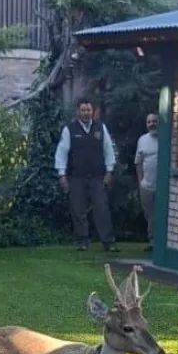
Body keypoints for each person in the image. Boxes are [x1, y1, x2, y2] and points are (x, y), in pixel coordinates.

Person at [54, 98, 119, 252]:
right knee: (78, 210)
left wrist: (109, 171)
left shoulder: (100, 128)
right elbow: (62, 152)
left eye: (88, 110)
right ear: (78, 112)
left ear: (93, 111)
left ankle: (108, 242)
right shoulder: (69, 130)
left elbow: (109, 150)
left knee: (102, 208)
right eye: (83, 110)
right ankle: (82, 241)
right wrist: (61, 174)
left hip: (97, 176)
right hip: (76, 177)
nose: (86, 113)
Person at [135, 113, 160, 252]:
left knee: (159, 214)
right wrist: (141, 181)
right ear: (146, 124)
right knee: (149, 215)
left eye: (154, 121)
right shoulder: (142, 140)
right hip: (146, 185)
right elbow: (138, 162)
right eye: (149, 121)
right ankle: (152, 241)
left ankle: (161, 242)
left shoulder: (165, 139)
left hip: (161, 186)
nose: (152, 124)